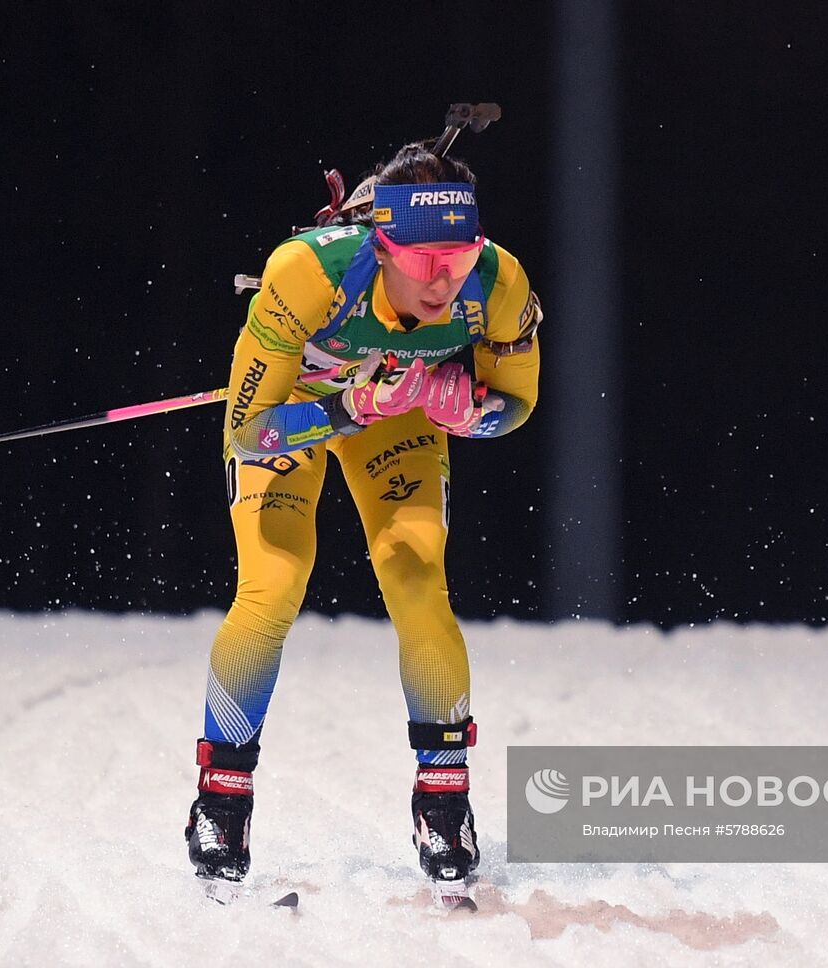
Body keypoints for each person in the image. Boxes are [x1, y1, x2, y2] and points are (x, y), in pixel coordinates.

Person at [184, 141, 541, 892]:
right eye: (422, 262)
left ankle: (443, 804)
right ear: (381, 247)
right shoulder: (306, 275)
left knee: (417, 578)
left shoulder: (500, 283)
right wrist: (351, 403)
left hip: (399, 412)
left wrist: (470, 412)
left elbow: (518, 406)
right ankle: (223, 799)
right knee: (274, 582)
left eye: (459, 256)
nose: (444, 281)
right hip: (305, 410)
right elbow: (252, 431)